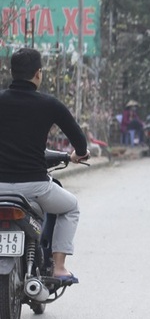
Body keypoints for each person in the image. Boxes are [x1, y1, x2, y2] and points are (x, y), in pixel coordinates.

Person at [0, 48, 90, 282]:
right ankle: (59, 267)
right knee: (71, 207)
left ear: (12, 72)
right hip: (35, 187)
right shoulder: (50, 104)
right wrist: (79, 154)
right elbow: (79, 140)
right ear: (38, 74)